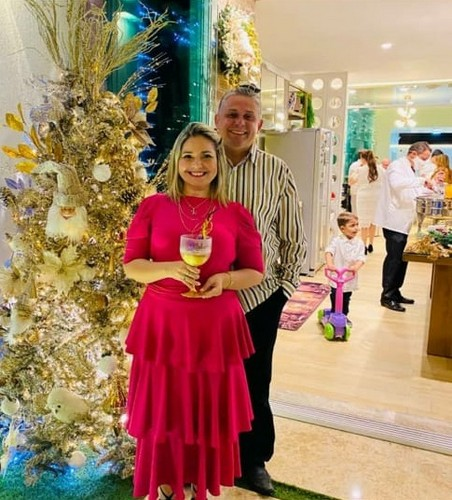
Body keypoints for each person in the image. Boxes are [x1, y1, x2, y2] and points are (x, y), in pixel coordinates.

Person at [123, 122, 264, 500]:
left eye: (206, 156)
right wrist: (169, 268)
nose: (196, 165)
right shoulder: (153, 207)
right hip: (163, 326)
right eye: (187, 156)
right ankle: (167, 480)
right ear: (176, 162)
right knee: (166, 406)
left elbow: (255, 271)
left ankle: (198, 478)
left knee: (206, 408)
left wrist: (226, 280)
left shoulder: (235, 213)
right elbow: (132, 266)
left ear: (219, 161)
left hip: (214, 327)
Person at [214, 84, 306, 496]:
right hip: (204, 299)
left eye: (248, 116)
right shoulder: (196, 162)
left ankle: (252, 461)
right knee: (205, 380)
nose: (240, 123)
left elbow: (293, 237)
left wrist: (284, 289)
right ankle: (208, 453)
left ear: (260, 124)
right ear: (218, 119)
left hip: (259, 298)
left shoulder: (276, 170)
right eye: (232, 114)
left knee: (254, 382)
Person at [375, 141, 433, 312]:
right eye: (424, 158)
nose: (425, 162)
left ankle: (396, 292)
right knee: (394, 259)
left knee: (402, 259)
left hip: (405, 221)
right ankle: (387, 296)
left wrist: (429, 190)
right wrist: (422, 180)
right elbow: (397, 184)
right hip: (394, 221)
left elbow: (411, 192)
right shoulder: (397, 166)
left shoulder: (410, 169)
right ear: (414, 154)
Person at [325, 212, 366, 317]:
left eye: (357, 224)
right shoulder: (336, 241)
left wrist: (356, 267)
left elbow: (361, 258)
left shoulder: (359, 243)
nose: (356, 228)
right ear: (342, 229)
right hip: (336, 276)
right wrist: (330, 264)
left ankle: (344, 315)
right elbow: (329, 251)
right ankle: (334, 312)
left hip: (348, 277)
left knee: (346, 297)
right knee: (335, 295)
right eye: (352, 225)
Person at [348, 150, 385, 254]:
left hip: (363, 197)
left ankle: (363, 245)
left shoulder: (360, 169)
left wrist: (356, 172)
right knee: (373, 221)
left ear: (363, 158)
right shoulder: (380, 169)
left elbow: (351, 182)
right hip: (376, 197)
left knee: (364, 222)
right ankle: (371, 244)